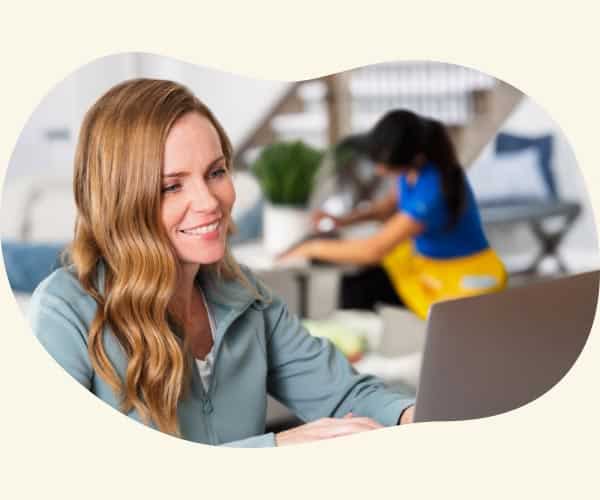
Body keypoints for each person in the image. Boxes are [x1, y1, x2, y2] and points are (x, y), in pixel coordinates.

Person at [28, 78, 414, 447]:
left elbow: (342, 393)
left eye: (216, 172)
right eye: (172, 186)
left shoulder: (242, 294)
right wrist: (276, 448)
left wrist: (408, 415)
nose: (210, 201)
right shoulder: (65, 310)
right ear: (121, 200)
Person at [282, 110, 507, 318]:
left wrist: (310, 248)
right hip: (424, 261)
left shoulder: (432, 191)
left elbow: (373, 250)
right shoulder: (413, 169)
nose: (379, 170)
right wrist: (343, 220)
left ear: (414, 157)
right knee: (353, 287)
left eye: (384, 165)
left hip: (462, 272)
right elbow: (389, 206)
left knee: (364, 286)